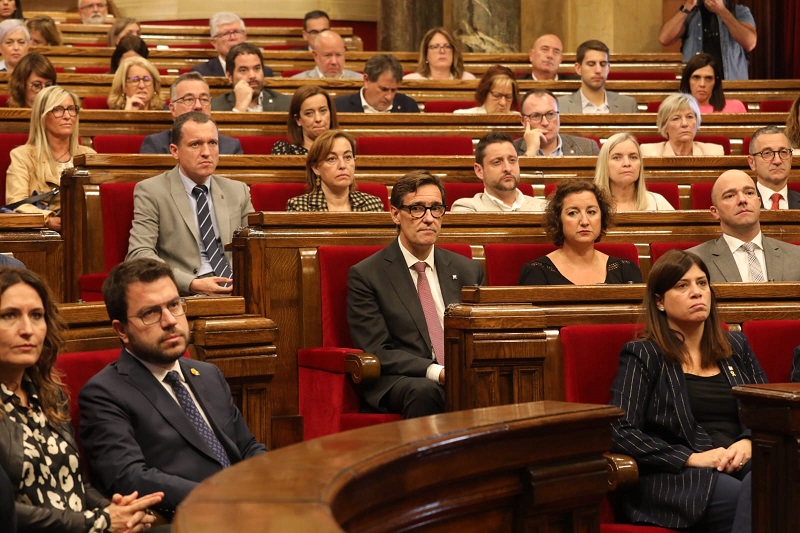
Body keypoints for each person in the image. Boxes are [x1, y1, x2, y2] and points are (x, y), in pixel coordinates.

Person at [79, 258, 267, 520]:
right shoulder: (104, 393)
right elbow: (129, 477)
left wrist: (269, 480)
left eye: (174, 305)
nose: (169, 321)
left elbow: (247, 448)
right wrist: (218, 496)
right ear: (121, 330)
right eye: (150, 313)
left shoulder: (207, 374)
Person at [610, 248, 764, 531]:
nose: (697, 292)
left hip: (741, 462)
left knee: (778, 480)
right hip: (681, 479)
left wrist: (749, 442)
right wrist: (691, 458)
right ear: (660, 302)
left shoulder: (736, 347)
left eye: (702, 283)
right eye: (683, 285)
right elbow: (620, 431)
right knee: (763, 497)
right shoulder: (643, 354)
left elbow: (768, 411)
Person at [0, 267, 164, 531]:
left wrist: (115, 511)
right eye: (9, 315)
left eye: (37, 316)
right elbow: (7, 514)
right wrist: (102, 521)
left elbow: (76, 484)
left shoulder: (48, 394)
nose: (27, 329)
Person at [347, 170, 484, 418]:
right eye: (417, 209)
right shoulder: (367, 275)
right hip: (402, 379)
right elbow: (377, 349)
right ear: (395, 214)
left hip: (460, 372)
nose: (429, 218)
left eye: (436, 208)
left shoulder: (467, 270)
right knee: (425, 390)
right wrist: (437, 371)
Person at [127, 112, 254, 296]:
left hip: (236, 287)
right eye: (195, 144)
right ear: (174, 151)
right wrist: (193, 283)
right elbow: (139, 254)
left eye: (212, 143)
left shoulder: (237, 191)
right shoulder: (151, 191)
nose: (206, 152)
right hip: (183, 293)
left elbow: (255, 247)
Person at [6, 85, 95, 230]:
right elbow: (17, 202)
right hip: (44, 236)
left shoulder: (89, 155)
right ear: (42, 116)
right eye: (58, 109)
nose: (67, 116)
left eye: (71, 109)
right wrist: (47, 219)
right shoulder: (22, 156)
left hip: (84, 229)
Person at [519, 180, 643, 285]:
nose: (584, 221)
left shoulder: (625, 270)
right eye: (573, 213)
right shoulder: (537, 272)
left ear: (602, 217)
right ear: (558, 220)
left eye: (591, 212)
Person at [687, 169, 800, 282]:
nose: (742, 199)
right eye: (730, 196)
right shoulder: (694, 260)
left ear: (759, 203)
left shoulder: (796, 256)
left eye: (749, 193)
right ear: (715, 212)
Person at [141, 71, 243, 155]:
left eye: (204, 99)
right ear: (172, 109)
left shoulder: (231, 147)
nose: (198, 106)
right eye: (189, 99)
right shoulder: (155, 145)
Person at [286, 130, 383, 212]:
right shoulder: (300, 207)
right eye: (331, 159)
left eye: (347, 157)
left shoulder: (373, 205)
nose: (342, 165)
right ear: (316, 168)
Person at [658, 0, 756, 81]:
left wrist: (722, 11)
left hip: (730, 88)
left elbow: (750, 42)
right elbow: (664, 38)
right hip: (696, 90)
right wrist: (688, 6)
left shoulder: (739, 11)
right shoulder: (690, 13)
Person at [451, 131, 547, 212]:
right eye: (497, 162)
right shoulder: (466, 208)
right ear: (479, 171)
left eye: (512, 160)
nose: (508, 168)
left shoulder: (544, 208)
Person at [593, 133, 675, 212]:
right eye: (617, 157)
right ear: (604, 164)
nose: (627, 163)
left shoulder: (658, 203)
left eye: (633, 157)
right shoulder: (592, 205)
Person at [557, 40, 638, 114]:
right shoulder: (560, 106)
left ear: (608, 68)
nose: (598, 70)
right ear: (578, 68)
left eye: (603, 64)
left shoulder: (628, 105)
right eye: (591, 64)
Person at [514, 89, 600, 156]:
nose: (545, 122)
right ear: (523, 121)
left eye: (551, 114)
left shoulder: (588, 148)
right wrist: (530, 151)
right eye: (536, 116)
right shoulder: (511, 150)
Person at [210, 42, 290, 112]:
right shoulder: (215, 107)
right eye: (243, 70)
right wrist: (239, 108)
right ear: (229, 76)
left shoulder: (286, 104)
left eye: (257, 68)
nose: (252, 76)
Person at [191, 12, 273, 78]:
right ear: (214, 42)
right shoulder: (201, 72)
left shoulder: (265, 72)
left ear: (245, 37)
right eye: (226, 33)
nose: (233, 37)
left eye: (236, 32)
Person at [641, 93, 725, 156]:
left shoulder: (714, 152)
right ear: (665, 126)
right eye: (676, 118)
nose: (684, 124)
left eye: (689, 117)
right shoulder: (649, 153)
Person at [333, 54, 420, 113]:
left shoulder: (408, 106)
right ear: (366, 80)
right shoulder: (339, 107)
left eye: (393, 90)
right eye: (384, 89)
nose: (389, 97)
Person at [271, 85, 338, 155]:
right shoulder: (285, 151)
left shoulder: (345, 149)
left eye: (323, 111)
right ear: (298, 119)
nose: (318, 119)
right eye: (309, 113)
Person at [747, 126, 798, 209]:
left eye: (783, 152)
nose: (777, 161)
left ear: (791, 159)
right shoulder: (743, 205)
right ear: (752, 162)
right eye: (767, 153)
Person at [679, 53, 747, 114]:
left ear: (715, 82)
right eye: (696, 78)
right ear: (687, 80)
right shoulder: (675, 110)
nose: (702, 84)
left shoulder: (735, 107)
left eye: (708, 78)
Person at [403, 27, 475, 81]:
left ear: (454, 53)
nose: (442, 51)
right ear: (426, 55)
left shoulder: (467, 79)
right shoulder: (411, 81)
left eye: (447, 46)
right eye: (435, 47)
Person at [291, 30, 361, 79]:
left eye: (338, 55)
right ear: (315, 56)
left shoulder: (361, 81)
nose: (334, 62)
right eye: (328, 55)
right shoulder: (297, 82)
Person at [454, 64, 518, 114]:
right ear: (484, 94)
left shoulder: (521, 121)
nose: (503, 103)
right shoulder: (463, 117)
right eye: (497, 95)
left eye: (508, 96)